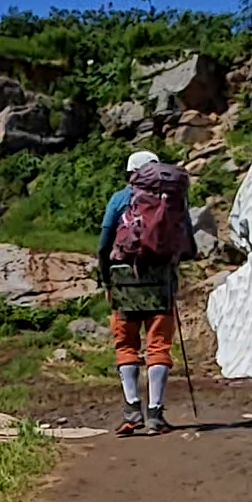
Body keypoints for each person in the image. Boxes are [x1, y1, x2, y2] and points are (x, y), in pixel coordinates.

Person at [98, 149, 196, 437]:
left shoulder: (119, 199)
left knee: (126, 344)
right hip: (161, 282)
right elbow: (189, 246)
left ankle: (131, 411)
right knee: (158, 347)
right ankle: (155, 415)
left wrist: (107, 281)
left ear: (131, 172)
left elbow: (104, 244)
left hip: (124, 281)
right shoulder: (174, 200)